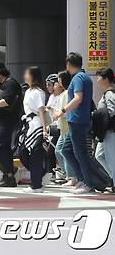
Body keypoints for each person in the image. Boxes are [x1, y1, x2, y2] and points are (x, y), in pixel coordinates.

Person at [53, 52, 95, 194]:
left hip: (77, 120)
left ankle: (88, 183)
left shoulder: (77, 78)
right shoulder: (85, 77)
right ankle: (82, 179)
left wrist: (62, 111)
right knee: (65, 150)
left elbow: (78, 98)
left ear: (68, 64)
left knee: (80, 153)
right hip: (77, 120)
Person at [18, 67, 50, 193]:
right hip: (28, 124)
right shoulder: (28, 91)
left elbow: (41, 110)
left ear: (33, 76)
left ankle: (36, 184)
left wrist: (44, 129)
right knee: (23, 153)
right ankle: (42, 174)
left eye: (27, 74)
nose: (25, 76)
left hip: (36, 124)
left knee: (35, 155)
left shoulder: (38, 92)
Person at [51, 71, 73, 185]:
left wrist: (58, 113)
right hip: (63, 127)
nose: (57, 83)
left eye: (59, 80)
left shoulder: (68, 93)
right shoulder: (63, 94)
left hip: (67, 127)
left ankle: (71, 176)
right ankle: (68, 174)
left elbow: (66, 110)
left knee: (63, 150)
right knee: (59, 150)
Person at [94, 68, 115, 178]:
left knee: (112, 159)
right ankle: (113, 177)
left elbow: (112, 112)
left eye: (99, 77)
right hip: (106, 132)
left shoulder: (110, 94)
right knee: (99, 155)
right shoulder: (107, 94)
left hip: (110, 131)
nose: (97, 80)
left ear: (106, 78)